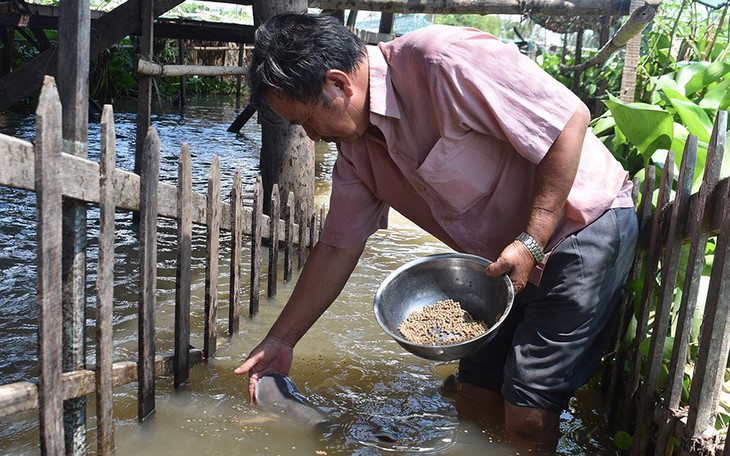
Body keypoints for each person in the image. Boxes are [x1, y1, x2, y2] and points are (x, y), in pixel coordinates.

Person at [234, 12, 638, 446]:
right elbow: (337, 247)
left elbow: (568, 122)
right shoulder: (355, 151)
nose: (311, 137)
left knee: (527, 411)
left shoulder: (443, 61)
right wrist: (281, 341)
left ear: (338, 85)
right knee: (476, 394)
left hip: (580, 227)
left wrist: (531, 239)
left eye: (307, 121)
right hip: (502, 261)